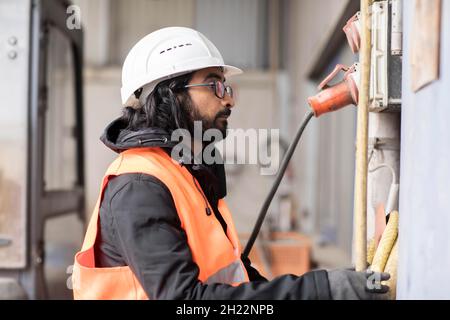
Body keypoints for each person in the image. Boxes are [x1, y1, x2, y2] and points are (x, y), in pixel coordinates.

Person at [72, 27, 389, 300]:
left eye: (226, 85)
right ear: (169, 94)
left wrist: (326, 290)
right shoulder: (138, 187)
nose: (229, 99)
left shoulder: (185, 172)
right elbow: (187, 299)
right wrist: (321, 290)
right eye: (214, 85)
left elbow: (235, 278)